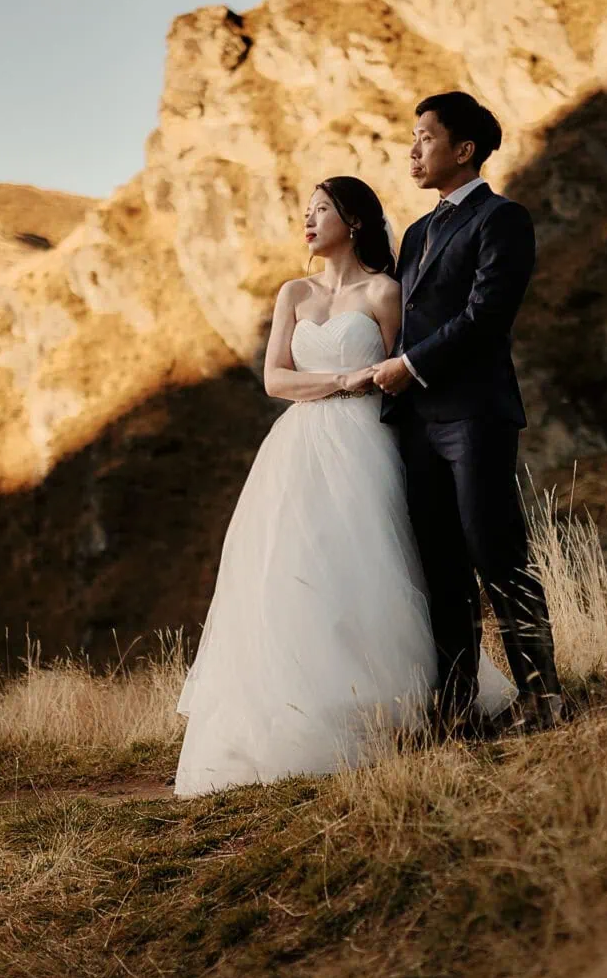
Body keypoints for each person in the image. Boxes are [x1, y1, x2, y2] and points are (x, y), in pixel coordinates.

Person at [174, 175, 515, 797]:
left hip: (368, 442)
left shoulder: (386, 291)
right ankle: (303, 716)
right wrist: (339, 381)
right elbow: (275, 379)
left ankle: (395, 709)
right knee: (295, 571)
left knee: (372, 567)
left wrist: (377, 393)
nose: (308, 221)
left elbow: (403, 375)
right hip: (298, 446)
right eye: (306, 212)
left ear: (354, 221)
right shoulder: (294, 293)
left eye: (321, 210)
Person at [370, 92, 564, 735]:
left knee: (497, 553)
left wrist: (410, 365)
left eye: (425, 137)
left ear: (464, 149)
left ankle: (542, 698)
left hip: (475, 416)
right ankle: (456, 708)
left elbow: (486, 317)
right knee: (440, 568)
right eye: (413, 137)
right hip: (416, 423)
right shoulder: (416, 233)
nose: (413, 150)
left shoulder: (502, 218)